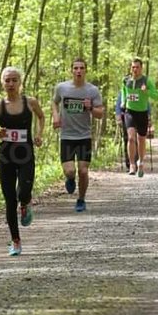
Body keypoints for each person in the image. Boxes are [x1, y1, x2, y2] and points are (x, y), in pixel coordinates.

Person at [0, 67, 45, 256]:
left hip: (25, 153)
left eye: (14, 80)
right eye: (7, 80)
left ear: (20, 82)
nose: (10, 84)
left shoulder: (30, 102)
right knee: (9, 199)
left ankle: (26, 203)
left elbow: (42, 117)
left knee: (24, 192)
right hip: (6, 156)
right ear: (2, 83)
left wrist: (38, 134)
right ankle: (16, 241)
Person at [51, 58, 104, 212]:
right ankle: (70, 178)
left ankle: (81, 199)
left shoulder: (92, 90)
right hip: (67, 136)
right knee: (70, 171)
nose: (78, 71)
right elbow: (54, 102)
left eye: (81, 68)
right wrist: (56, 117)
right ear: (71, 70)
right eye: (76, 68)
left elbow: (100, 114)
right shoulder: (62, 88)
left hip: (84, 136)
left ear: (85, 70)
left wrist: (91, 108)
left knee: (83, 171)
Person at [119, 58, 158, 177]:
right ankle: (132, 164)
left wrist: (146, 91)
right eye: (133, 67)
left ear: (141, 68)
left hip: (142, 113)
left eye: (137, 67)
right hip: (129, 112)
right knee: (131, 138)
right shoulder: (126, 80)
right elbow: (123, 91)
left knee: (141, 139)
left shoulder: (146, 81)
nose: (135, 69)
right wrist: (123, 101)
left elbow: (157, 96)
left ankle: (141, 162)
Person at [115, 90, 130, 171]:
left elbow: (146, 102)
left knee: (138, 139)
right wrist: (118, 116)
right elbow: (118, 105)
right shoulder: (123, 91)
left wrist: (148, 115)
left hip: (139, 117)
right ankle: (129, 163)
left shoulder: (140, 89)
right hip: (125, 117)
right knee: (127, 139)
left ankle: (137, 160)